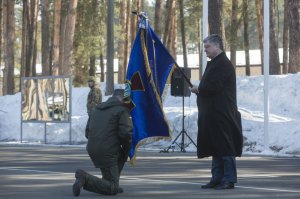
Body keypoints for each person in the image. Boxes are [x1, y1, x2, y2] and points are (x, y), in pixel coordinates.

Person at [190, 34, 243, 190]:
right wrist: (200, 90)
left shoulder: (223, 64)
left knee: (226, 146)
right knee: (216, 145)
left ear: (217, 46)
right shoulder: (214, 63)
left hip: (223, 112)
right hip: (213, 112)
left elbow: (215, 86)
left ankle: (229, 179)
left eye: (207, 47)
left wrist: (199, 89)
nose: (205, 50)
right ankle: (217, 177)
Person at [73, 88, 133, 196]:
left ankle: (109, 181)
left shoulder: (96, 109)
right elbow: (126, 134)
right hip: (107, 150)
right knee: (112, 188)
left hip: (92, 148)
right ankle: (85, 178)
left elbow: (87, 133)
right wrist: (128, 147)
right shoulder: (121, 110)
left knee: (118, 157)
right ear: (122, 99)